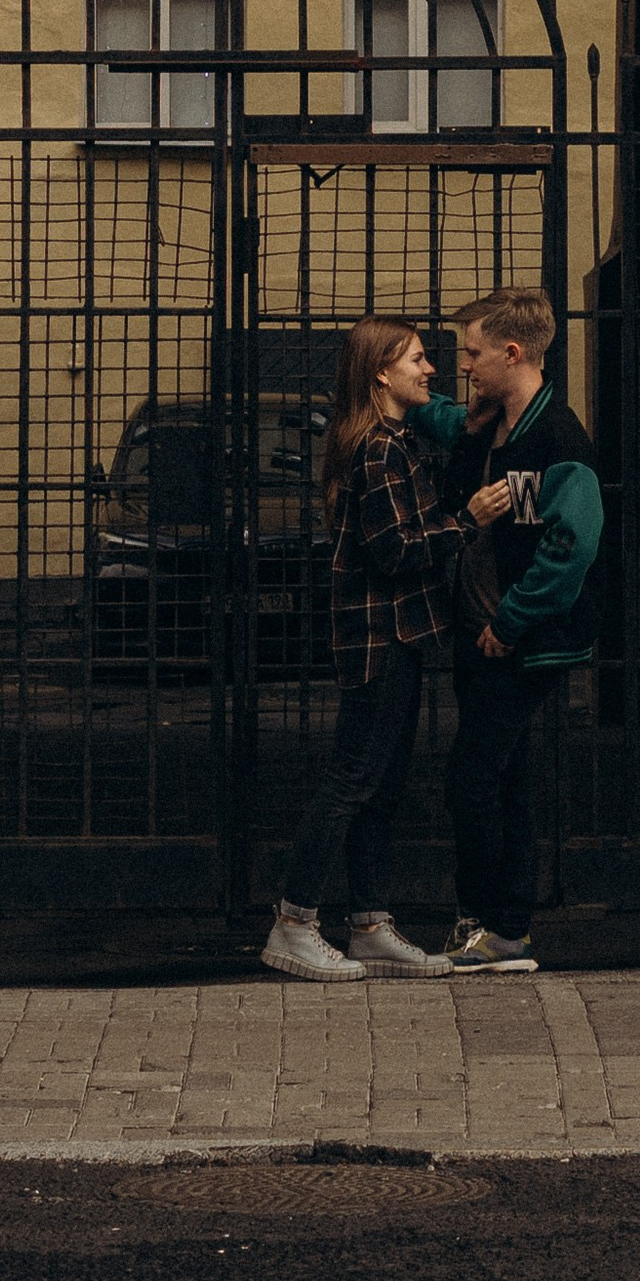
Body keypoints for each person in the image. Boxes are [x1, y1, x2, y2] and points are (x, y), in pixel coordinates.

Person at [262, 314, 499, 983]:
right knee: (352, 781)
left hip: (401, 634)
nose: (432, 369)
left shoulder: (398, 437)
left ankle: (369, 924)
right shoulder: (378, 449)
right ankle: (294, 923)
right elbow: (394, 551)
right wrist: (467, 524)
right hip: (382, 638)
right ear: (382, 374)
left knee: (381, 785)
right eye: (419, 359)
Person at [423, 286, 604, 977]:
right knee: (507, 778)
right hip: (484, 637)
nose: (462, 364)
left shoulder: (557, 436)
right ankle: (508, 930)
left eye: (471, 352)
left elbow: (573, 544)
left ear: (512, 351)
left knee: (471, 777)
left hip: (521, 640)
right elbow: (441, 418)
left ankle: (491, 924)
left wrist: (512, 619)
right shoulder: (490, 424)